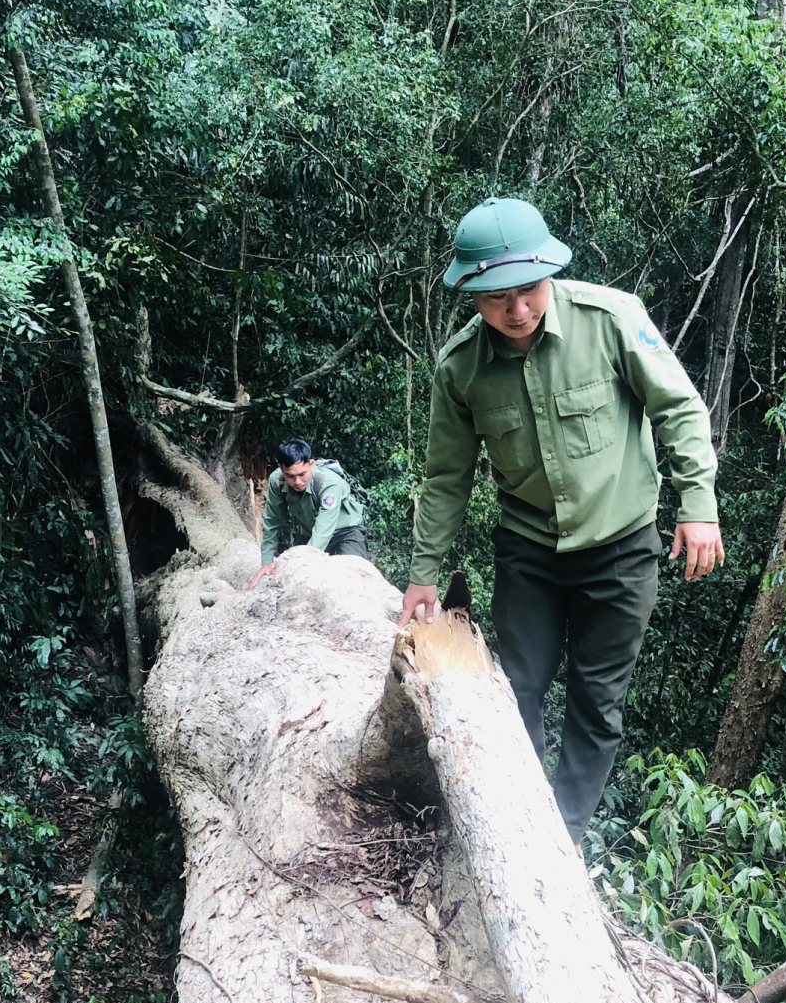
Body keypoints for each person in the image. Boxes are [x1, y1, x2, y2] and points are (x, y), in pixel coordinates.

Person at [401, 197, 724, 843]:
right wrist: (423, 574)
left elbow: (680, 410)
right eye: (498, 298)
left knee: (596, 704)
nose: (518, 309)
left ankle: (561, 840)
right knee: (514, 688)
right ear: (470, 292)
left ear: (549, 273)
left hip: (622, 546)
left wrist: (698, 507)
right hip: (530, 550)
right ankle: (509, 822)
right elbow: (445, 478)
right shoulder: (460, 367)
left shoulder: (610, 319)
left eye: (528, 290)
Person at [249, 437, 371, 585]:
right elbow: (272, 521)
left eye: (302, 474)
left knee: (354, 579)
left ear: (311, 464)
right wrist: (266, 563)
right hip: (308, 533)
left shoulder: (329, 485)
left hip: (345, 533)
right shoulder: (276, 480)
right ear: (281, 469)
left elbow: (323, 531)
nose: (297, 482)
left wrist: (299, 563)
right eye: (290, 476)